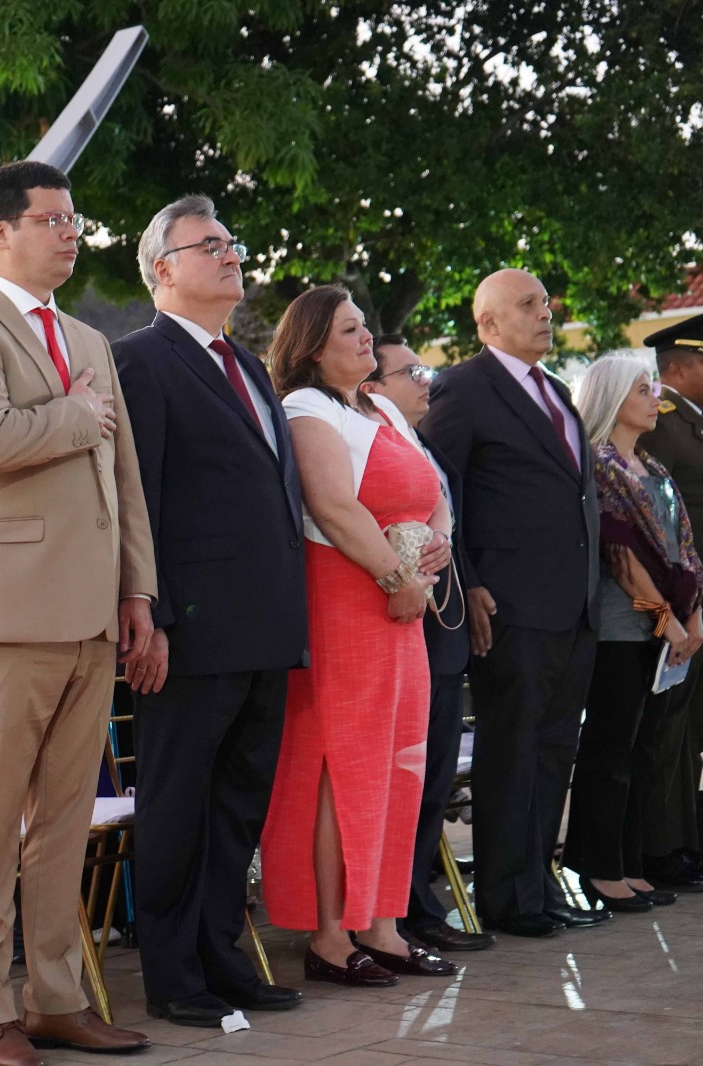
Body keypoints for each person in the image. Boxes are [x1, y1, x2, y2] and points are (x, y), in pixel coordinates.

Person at [0, 160, 155, 1066]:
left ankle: (57, 998)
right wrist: (73, 414)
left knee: (68, 821)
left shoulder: (91, 341)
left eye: (74, 220)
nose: (70, 233)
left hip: (94, 611)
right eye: (51, 220)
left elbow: (124, 477)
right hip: (3, 613)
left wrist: (137, 591)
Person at [111, 195, 308, 1027]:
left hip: (264, 619)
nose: (231, 256)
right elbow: (137, 496)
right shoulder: (142, 360)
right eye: (210, 245)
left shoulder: (251, 365)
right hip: (188, 626)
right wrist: (144, 610)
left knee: (238, 804)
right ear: (163, 268)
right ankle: (171, 974)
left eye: (233, 242)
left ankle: (223, 956)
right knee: (176, 800)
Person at [260, 285, 457, 987]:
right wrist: (393, 576)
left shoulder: (376, 407)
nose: (367, 336)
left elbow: (434, 491)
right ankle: (330, 936)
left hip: (402, 601)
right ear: (313, 346)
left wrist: (435, 546)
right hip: (346, 596)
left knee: (400, 762)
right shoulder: (306, 409)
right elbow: (334, 507)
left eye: (366, 325)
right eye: (351, 328)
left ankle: (383, 924)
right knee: (340, 771)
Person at [418, 268, 606, 938]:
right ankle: (507, 896)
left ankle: (538, 884)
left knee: (554, 750)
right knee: (512, 751)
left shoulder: (557, 392)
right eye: (528, 305)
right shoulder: (464, 390)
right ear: (488, 323)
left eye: (547, 303)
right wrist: (465, 580)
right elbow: (439, 493)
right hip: (509, 606)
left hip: (574, 607)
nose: (545, 313)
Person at [361, 335, 495, 954]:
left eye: (426, 367)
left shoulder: (430, 448)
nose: (426, 379)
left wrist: (472, 594)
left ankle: (416, 899)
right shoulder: (370, 449)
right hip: (393, 624)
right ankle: (406, 909)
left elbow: (451, 533)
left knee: (432, 778)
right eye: (409, 370)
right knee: (406, 781)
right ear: (373, 387)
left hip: (445, 630)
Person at [564, 355, 703, 913]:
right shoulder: (600, 466)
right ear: (612, 398)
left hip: (665, 629)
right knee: (610, 750)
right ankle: (599, 868)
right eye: (644, 390)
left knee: (643, 751)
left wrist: (690, 616)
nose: (656, 399)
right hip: (623, 631)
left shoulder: (655, 469)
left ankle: (627, 862)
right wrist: (663, 619)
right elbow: (621, 559)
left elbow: (684, 551)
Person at [635, 310, 703, 891]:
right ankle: (660, 848)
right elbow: (657, 520)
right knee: (666, 734)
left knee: (691, 733)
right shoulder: (663, 421)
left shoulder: (702, 423)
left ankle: (683, 840)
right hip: (675, 608)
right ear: (676, 367)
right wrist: (671, 608)